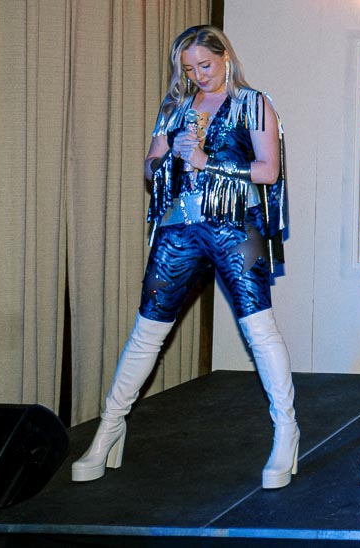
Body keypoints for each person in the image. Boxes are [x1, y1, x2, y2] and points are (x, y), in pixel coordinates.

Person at [71, 25, 296, 488]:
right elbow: (149, 168)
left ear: (225, 57)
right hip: (180, 227)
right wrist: (169, 154)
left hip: (237, 227)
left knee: (260, 331)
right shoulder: (176, 106)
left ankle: (286, 433)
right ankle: (110, 428)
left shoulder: (254, 103)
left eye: (205, 66)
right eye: (190, 69)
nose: (198, 76)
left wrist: (207, 162)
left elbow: (268, 171)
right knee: (147, 330)